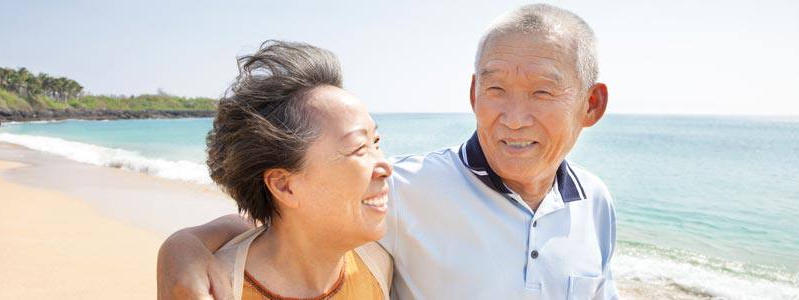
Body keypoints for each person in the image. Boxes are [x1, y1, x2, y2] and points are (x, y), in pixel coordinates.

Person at [158, 3, 617, 299]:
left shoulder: (595, 201)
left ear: (590, 104)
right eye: (496, 88)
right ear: (474, 94)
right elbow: (291, 216)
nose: (514, 117)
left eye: (542, 92)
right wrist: (185, 246)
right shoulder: (403, 188)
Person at [161, 40, 395, 300]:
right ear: (284, 185)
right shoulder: (217, 288)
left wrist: (181, 245)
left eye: (376, 142)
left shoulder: (377, 265)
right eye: (359, 148)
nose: (386, 167)